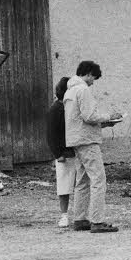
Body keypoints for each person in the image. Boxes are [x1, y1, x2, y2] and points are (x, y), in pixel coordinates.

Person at [63, 60, 123, 233]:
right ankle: (97, 221)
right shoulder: (83, 90)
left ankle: (80, 219)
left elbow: (79, 119)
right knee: (98, 179)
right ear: (88, 73)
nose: (93, 82)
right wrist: (109, 117)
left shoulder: (70, 91)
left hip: (76, 140)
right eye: (93, 78)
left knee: (82, 181)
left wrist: (103, 124)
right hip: (88, 141)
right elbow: (89, 116)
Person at [46, 76, 76, 228]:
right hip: (65, 153)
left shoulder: (70, 107)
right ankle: (64, 215)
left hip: (76, 151)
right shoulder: (56, 109)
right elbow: (51, 134)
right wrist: (58, 154)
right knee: (64, 185)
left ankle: (80, 214)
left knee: (80, 185)